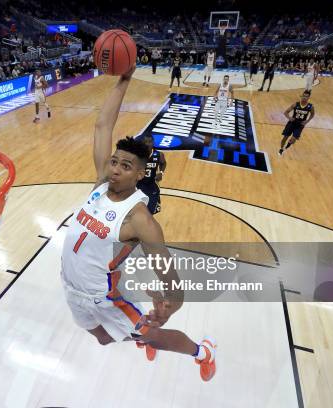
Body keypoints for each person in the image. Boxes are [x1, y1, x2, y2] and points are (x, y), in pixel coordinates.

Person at [60, 66, 217, 381]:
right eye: (115, 161)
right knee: (104, 338)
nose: (115, 168)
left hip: (103, 296)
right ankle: (135, 334)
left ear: (140, 174)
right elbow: (102, 125)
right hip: (69, 286)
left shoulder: (140, 220)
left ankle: (203, 352)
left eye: (126, 165)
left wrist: (167, 309)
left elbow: (173, 284)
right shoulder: (100, 185)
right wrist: (124, 79)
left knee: (149, 335)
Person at [278, 90, 315, 156]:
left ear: (309, 98)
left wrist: (307, 121)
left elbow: (312, 114)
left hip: (300, 125)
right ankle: (281, 149)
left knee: (293, 140)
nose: (304, 98)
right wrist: (289, 118)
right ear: (301, 96)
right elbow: (286, 112)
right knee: (285, 138)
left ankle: (285, 148)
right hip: (292, 123)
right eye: (304, 96)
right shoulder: (296, 104)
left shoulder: (310, 106)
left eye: (306, 96)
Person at [137, 134, 166, 214]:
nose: (147, 144)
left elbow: (163, 163)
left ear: (153, 142)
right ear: (142, 143)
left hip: (152, 185)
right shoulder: (137, 155)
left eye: (149, 142)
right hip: (138, 185)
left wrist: (161, 172)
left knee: (150, 211)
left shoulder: (159, 154)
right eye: (145, 142)